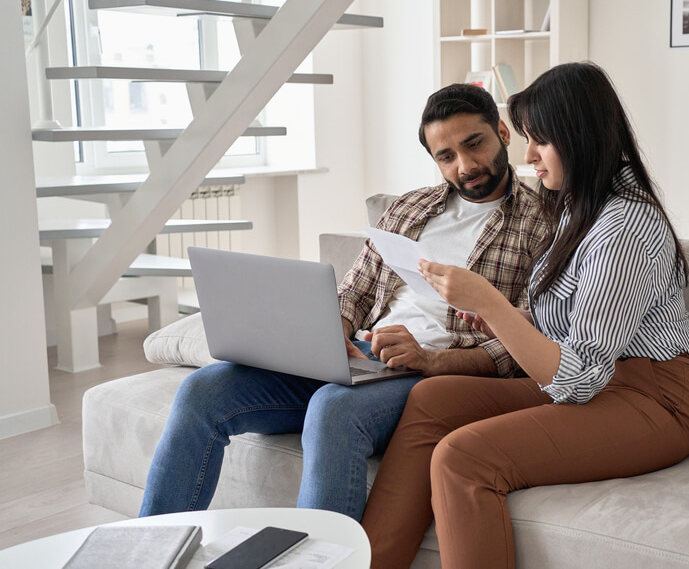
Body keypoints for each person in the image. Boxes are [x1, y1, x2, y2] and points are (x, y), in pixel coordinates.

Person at [138, 83, 549, 522]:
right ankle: (150, 548)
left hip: (432, 374)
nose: (465, 166)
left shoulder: (543, 223)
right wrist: (329, 329)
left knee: (333, 409)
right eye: (446, 156)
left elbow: (522, 344)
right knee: (203, 390)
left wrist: (429, 360)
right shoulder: (409, 209)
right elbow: (353, 293)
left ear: (503, 133)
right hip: (359, 357)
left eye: (475, 144)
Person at [360, 62, 689, 568]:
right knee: (433, 397)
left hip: (653, 399)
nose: (527, 157)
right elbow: (569, 327)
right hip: (603, 381)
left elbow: (580, 379)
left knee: (463, 459)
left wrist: (491, 305)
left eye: (539, 141)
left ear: (579, 136)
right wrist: (505, 321)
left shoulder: (626, 224)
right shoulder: (577, 206)